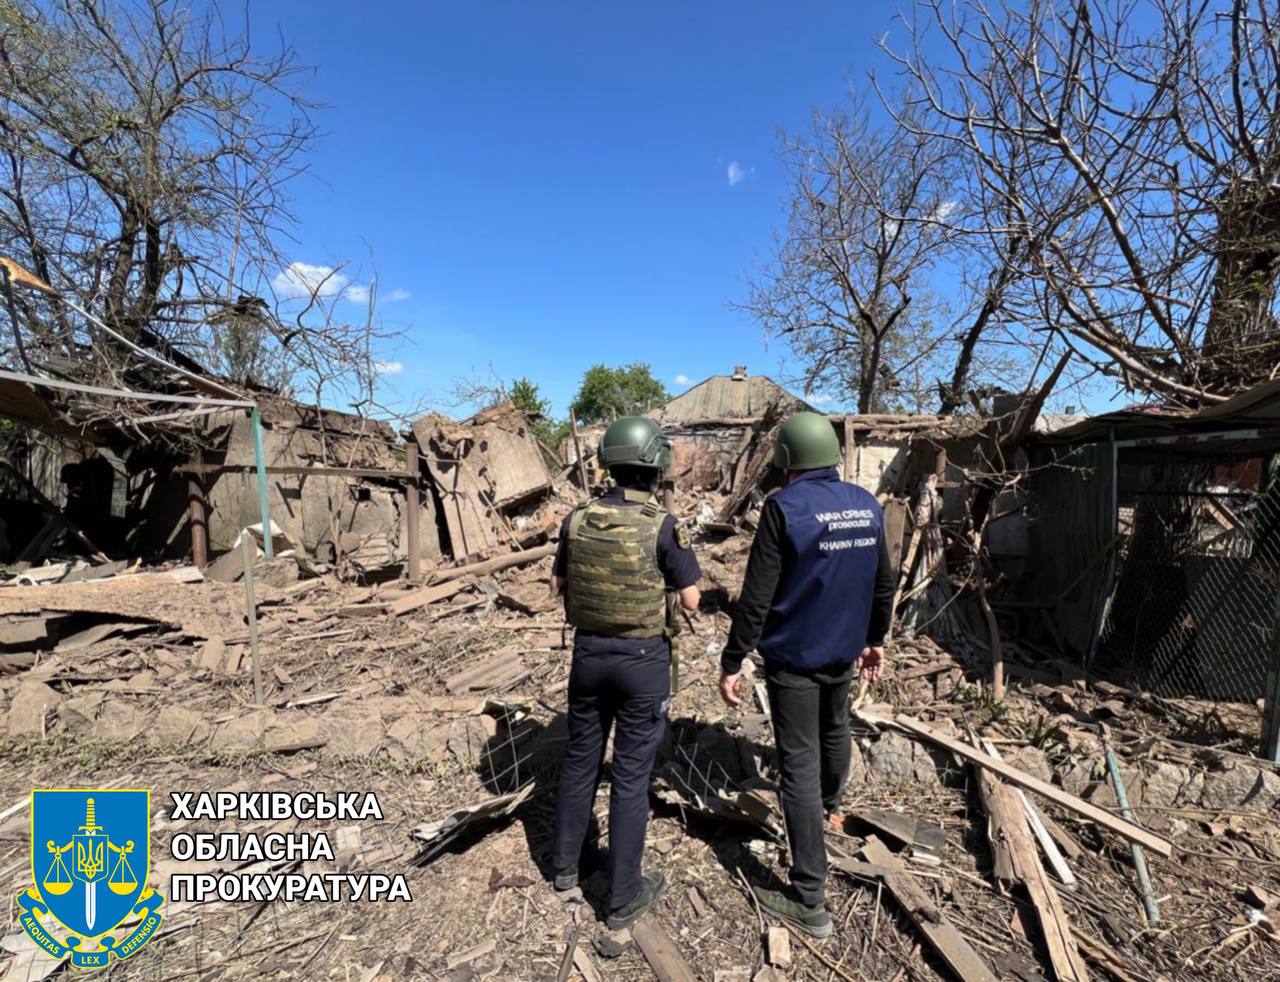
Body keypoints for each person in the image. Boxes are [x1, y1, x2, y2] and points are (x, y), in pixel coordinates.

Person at [719, 411, 893, 938]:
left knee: (797, 764)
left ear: (788, 461)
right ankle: (832, 808)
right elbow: (883, 583)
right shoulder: (866, 505)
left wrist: (733, 659)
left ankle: (809, 898)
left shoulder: (783, 507)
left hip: (794, 660)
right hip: (844, 652)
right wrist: (874, 638)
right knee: (835, 729)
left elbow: (757, 595)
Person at [550, 416, 702, 929]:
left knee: (579, 761)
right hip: (642, 662)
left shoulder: (576, 518)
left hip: (589, 656)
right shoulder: (663, 523)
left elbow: (558, 586)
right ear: (655, 466)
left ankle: (565, 869)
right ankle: (621, 898)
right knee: (631, 779)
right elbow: (692, 598)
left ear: (609, 462)